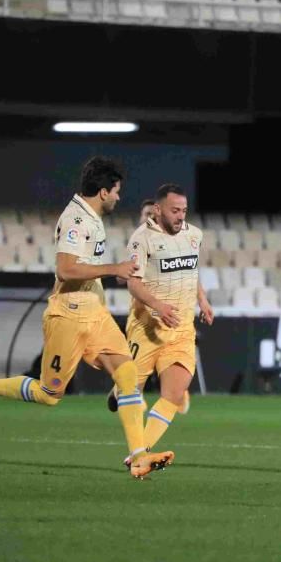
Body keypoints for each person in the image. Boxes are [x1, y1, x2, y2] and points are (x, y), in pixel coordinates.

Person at [0, 156, 174, 479]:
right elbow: (65, 270)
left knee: (127, 373)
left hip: (95, 314)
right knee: (49, 394)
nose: (119, 197)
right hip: (67, 315)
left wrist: (116, 276)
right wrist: (113, 268)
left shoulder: (92, 217)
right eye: (117, 191)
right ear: (104, 191)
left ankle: (138, 457)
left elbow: (87, 270)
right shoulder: (75, 220)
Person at [105, 183, 213, 464]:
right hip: (147, 329)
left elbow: (192, 271)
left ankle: (139, 456)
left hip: (181, 329)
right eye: (175, 210)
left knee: (174, 394)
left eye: (184, 211)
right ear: (158, 209)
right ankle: (122, 389)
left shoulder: (194, 235)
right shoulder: (142, 239)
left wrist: (203, 300)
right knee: (131, 391)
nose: (180, 216)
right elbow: (132, 283)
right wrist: (158, 306)